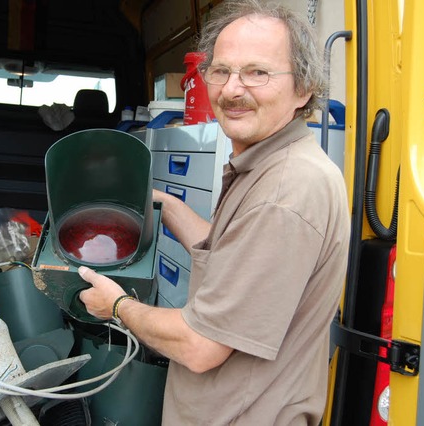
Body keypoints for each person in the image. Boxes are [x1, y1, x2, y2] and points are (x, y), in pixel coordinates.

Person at [78, 0, 350, 424]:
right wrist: (160, 202)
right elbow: (229, 254)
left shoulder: (285, 191)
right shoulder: (268, 162)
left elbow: (199, 346)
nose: (232, 89)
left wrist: (116, 306)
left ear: (304, 88)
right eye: (220, 70)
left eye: (258, 72)